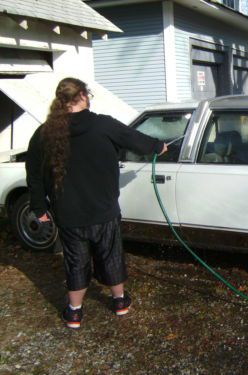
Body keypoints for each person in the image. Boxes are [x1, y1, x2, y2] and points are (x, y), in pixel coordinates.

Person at [26, 77, 168, 329]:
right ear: (82, 95)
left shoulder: (44, 133)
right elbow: (135, 139)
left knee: (75, 260)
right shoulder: (103, 124)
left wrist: (40, 209)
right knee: (110, 254)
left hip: (68, 214)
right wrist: (158, 146)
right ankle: (120, 302)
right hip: (104, 211)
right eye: (87, 94)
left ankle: (74, 313)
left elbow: (34, 175)